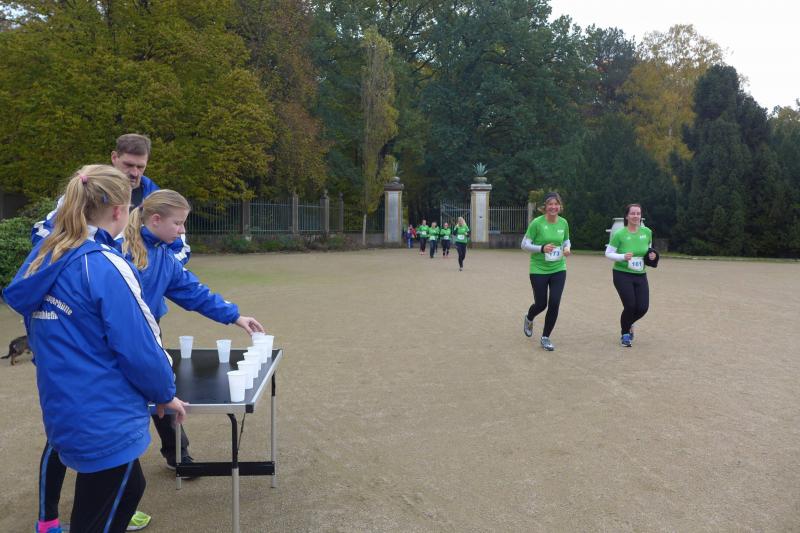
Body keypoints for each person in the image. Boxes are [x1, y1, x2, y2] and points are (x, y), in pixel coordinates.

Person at [3, 165, 187, 533]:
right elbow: (139, 346)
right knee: (98, 513)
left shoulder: (45, 257)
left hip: (65, 405)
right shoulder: (102, 264)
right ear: (120, 211)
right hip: (104, 416)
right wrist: (165, 393)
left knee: (130, 488)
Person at [31, 134, 191, 265]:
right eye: (128, 165)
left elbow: (180, 249)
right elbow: (43, 232)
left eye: (140, 167)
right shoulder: (87, 190)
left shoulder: (159, 200)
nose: (134, 173)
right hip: (92, 283)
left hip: (141, 291)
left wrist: (151, 272)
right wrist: (86, 263)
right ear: (114, 157)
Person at [520, 192, 571, 351]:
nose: (553, 207)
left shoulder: (563, 223)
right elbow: (524, 245)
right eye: (550, 204)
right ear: (545, 206)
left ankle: (545, 337)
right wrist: (541, 248)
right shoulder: (537, 223)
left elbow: (566, 240)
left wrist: (567, 248)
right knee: (541, 304)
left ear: (560, 206)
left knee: (554, 302)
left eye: (556, 204)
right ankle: (529, 317)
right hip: (538, 269)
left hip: (558, 268)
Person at [605, 203, 656, 347]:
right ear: (627, 216)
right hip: (622, 274)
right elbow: (608, 253)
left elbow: (649, 250)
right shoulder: (619, 234)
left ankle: (629, 322)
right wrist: (622, 257)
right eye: (632, 213)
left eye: (638, 213)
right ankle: (625, 334)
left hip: (640, 274)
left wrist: (652, 255)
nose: (635, 216)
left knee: (643, 307)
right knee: (630, 305)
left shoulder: (647, 232)